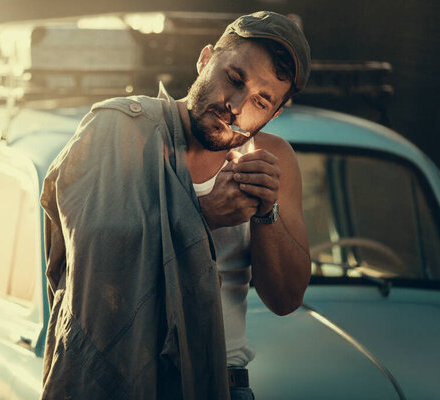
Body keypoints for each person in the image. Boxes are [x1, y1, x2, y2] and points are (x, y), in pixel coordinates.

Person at [40, 11, 311, 399]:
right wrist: (203, 218)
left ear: (275, 113)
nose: (235, 105)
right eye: (234, 78)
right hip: (123, 378)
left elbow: (286, 300)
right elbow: (91, 268)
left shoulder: (274, 160)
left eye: (261, 100)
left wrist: (267, 212)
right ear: (205, 60)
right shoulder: (120, 130)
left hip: (223, 383)